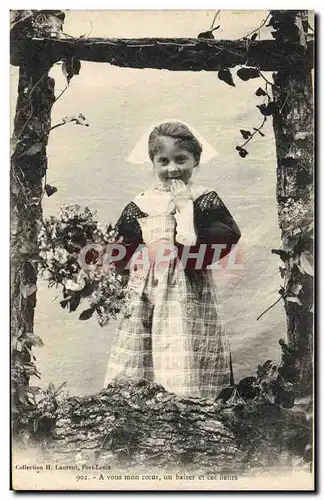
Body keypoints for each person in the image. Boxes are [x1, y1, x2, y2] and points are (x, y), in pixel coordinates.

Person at [104, 121, 241, 399]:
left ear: (196, 160)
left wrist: (187, 238)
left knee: (185, 343)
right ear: (153, 163)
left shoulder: (203, 199)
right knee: (146, 346)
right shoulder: (142, 204)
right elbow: (120, 247)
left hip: (188, 289)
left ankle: (192, 407)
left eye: (181, 159)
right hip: (148, 292)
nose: (172, 169)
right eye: (163, 161)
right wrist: (141, 254)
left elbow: (227, 235)